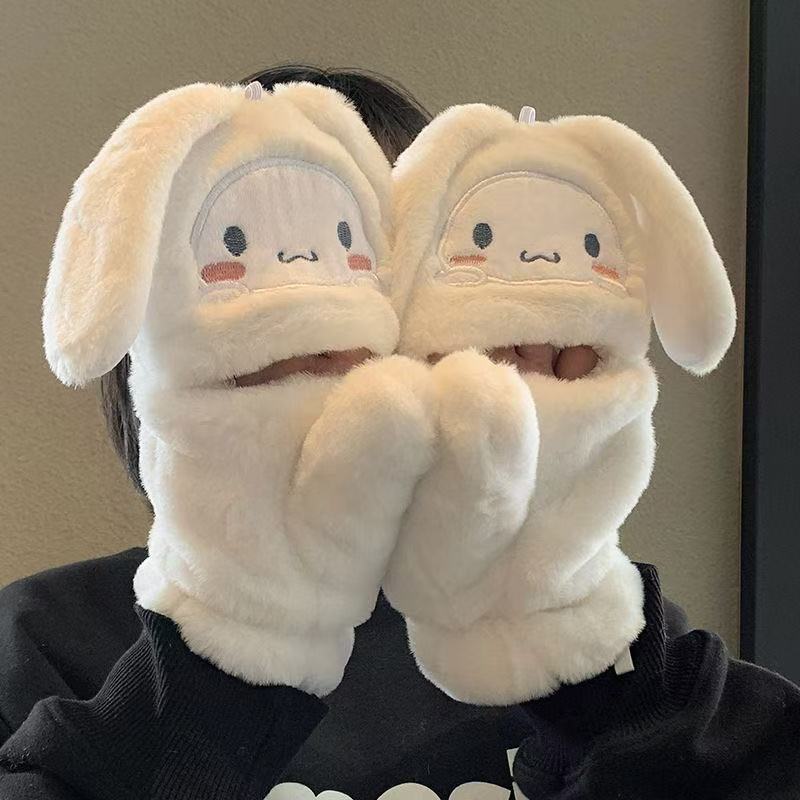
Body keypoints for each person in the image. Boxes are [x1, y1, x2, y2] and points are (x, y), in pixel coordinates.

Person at [1, 65, 798, 800]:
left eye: (386, 278)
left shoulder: (625, 658)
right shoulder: (44, 641)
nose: (341, 349)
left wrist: (557, 616)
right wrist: (238, 628)